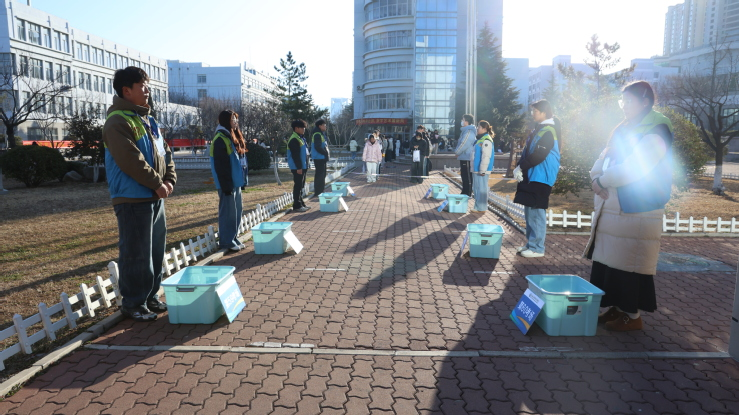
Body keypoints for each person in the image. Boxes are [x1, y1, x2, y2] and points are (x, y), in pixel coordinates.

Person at [584, 81, 673, 332]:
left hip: (637, 207)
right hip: (614, 207)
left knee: (628, 264)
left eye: (629, 101)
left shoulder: (657, 128)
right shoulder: (624, 127)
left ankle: (632, 316)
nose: (623, 105)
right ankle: (617, 307)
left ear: (645, 102)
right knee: (611, 263)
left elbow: (637, 167)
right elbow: (602, 158)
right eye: (622, 100)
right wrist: (595, 179)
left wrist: (602, 181)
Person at [103, 66, 176, 322]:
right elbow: (131, 160)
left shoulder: (147, 120)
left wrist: (169, 179)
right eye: (143, 86)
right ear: (126, 91)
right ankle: (134, 303)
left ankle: (150, 297)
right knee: (136, 253)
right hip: (132, 197)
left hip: (154, 196)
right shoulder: (117, 122)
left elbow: (165, 153)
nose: (147, 90)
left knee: (155, 251)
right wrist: (156, 183)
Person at [513, 99, 561, 258]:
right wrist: (520, 166)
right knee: (529, 212)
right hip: (534, 174)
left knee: (536, 212)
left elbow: (539, 154)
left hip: (542, 176)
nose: (532, 113)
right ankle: (531, 244)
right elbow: (529, 151)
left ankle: (537, 248)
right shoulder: (540, 129)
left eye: (535, 111)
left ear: (544, 112)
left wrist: (521, 167)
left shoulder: (549, 131)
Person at [210, 110, 246, 252]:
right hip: (228, 184)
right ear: (226, 121)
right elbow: (221, 166)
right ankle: (226, 241)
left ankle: (233, 237)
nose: (235, 122)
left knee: (236, 211)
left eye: (236, 119)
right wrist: (226, 186)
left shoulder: (229, 137)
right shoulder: (220, 138)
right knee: (228, 213)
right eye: (233, 120)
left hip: (235, 182)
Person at [287, 119, 311, 212]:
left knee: (301, 186)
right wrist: (299, 167)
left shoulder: (300, 138)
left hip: (303, 166)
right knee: (298, 186)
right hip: (297, 167)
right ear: (296, 128)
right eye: (302, 127)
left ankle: (301, 203)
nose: (304, 129)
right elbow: (295, 155)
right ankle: (297, 205)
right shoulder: (294, 139)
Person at [471, 121, 495, 212]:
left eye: (479, 127)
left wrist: (483, 170)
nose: (477, 128)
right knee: (477, 188)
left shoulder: (486, 140)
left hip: (481, 170)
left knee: (481, 188)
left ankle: (481, 207)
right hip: (477, 168)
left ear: (484, 128)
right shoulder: (480, 139)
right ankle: (478, 206)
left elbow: (486, 156)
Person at [455, 114, 476, 196]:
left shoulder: (469, 131)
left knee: (467, 176)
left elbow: (464, 144)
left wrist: (457, 152)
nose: (462, 121)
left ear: (467, 122)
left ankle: (467, 193)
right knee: (464, 176)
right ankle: (465, 192)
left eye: (463, 120)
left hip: (467, 157)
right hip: (464, 156)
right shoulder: (465, 131)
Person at [310, 119, 330, 196]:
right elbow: (317, 147)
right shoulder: (317, 134)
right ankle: (318, 192)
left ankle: (321, 190)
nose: (325, 127)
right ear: (320, 126)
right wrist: (325, 153)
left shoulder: (321, 134)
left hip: (322, 157)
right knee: (319, 175)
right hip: (319, 157)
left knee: (322, 175)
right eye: (324, 125)